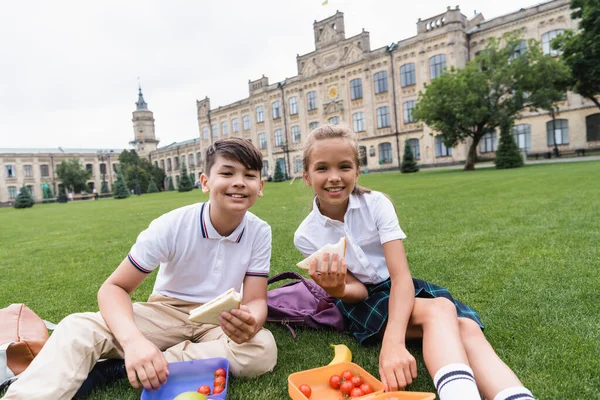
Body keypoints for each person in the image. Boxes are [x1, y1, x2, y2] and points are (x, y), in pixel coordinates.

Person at [3, 137, 277, 400]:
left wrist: (251, 320)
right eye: (227, 173)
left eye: (250, 176)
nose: (239, 183)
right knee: (78, 328)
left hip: (219, 319)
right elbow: (113, 288)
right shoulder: (172, 225)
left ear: (261, 186)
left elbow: (255, 300)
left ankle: (123, 368)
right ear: (205, 182)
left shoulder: (259, 231)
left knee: (261, 350)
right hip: (166, 311)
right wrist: (133, 341)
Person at [294, 124, 534, 400]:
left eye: (344, 167)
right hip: (359, 304)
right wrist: (337, 290)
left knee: (464, 326)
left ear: (358, 171)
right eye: (322, 168)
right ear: (306, 176)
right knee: (440, 311)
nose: (334, 177)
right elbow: (356, 292)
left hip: (398, 287)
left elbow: (400, 276)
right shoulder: (306, 235)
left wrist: (393, 342)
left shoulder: (377, 204)